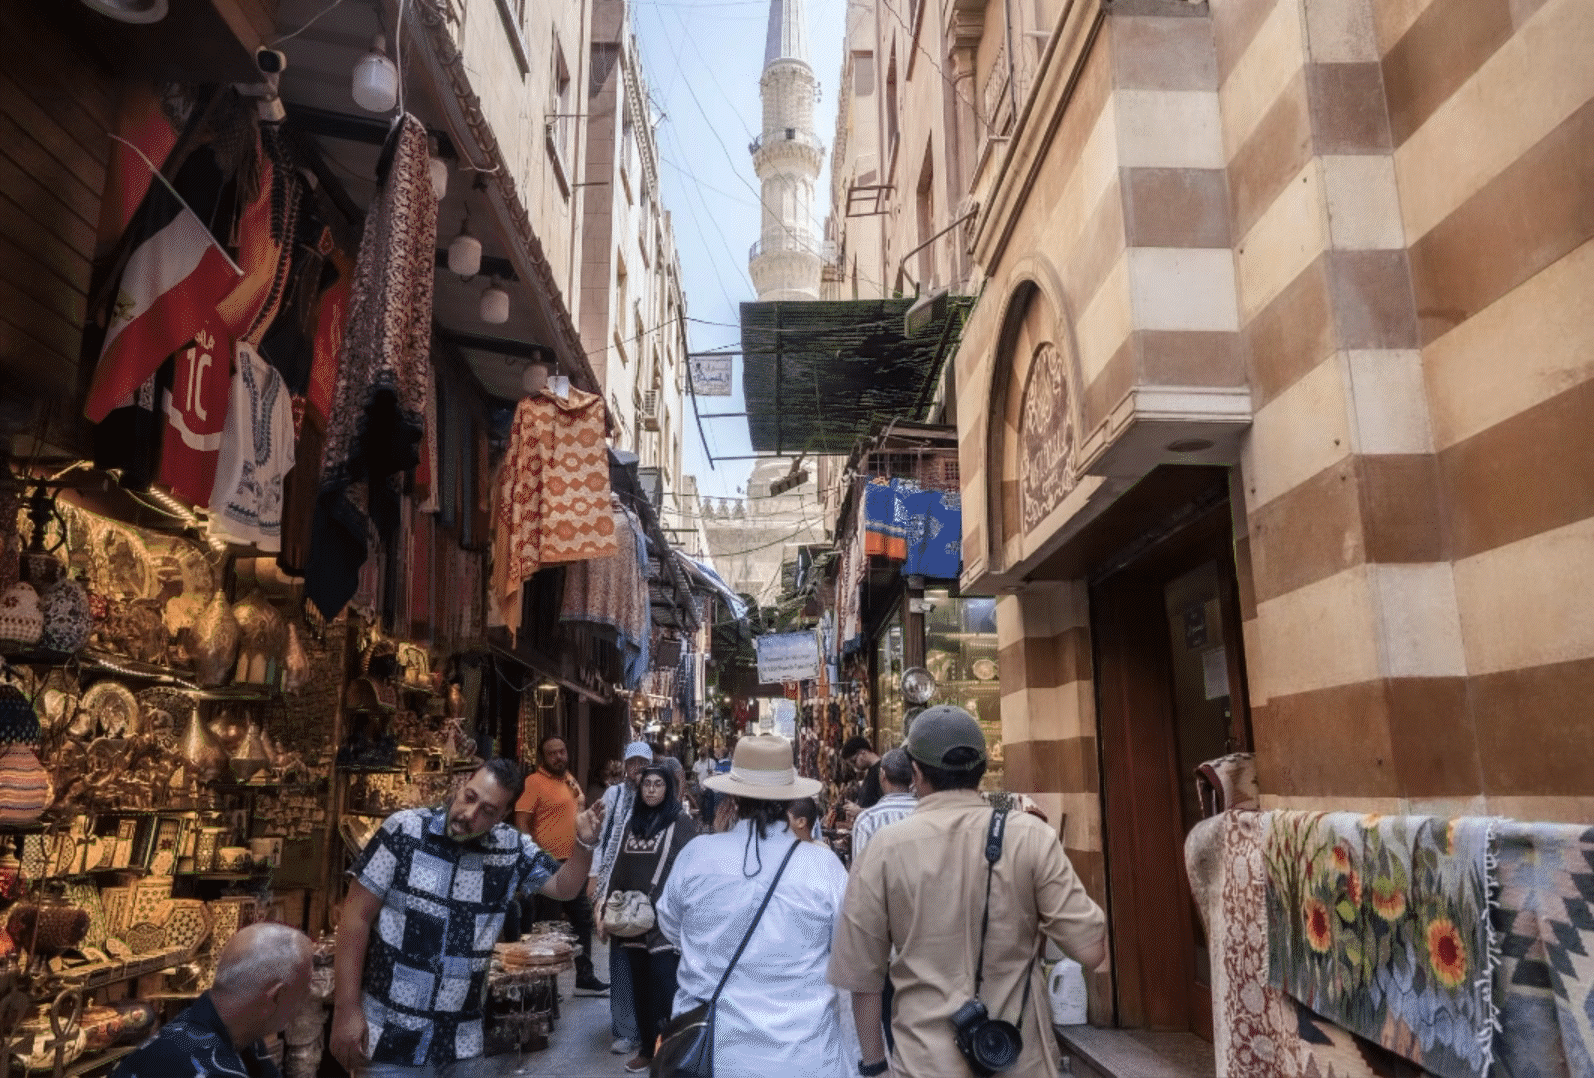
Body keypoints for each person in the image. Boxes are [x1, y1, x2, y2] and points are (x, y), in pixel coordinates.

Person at [829, 706, 1108, 1078]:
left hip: (924, 1063)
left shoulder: (884, 848)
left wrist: (876, 1066)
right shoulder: (1030, 836)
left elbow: (862, 979)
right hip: (1018, 1059)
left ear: (915, 773)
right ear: (983, 769)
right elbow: (1091, 950)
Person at [331, 758, 606, 1076]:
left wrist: (584, 844)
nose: (469, 814)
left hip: (460, 1044)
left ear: (502, 816)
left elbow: (564, 887)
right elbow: (356, 917)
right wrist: (346, 1008)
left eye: (487, 811)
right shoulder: (403, 831)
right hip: (391, 1040)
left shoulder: (510, 849)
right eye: (470, 797)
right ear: (462, 786)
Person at [658, 734, 855, 1077]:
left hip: (715, 1057)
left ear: (734, 796)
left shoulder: (697, 856)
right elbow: (846, 950)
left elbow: (671, 926)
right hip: (802, 1056)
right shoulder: (823, 866)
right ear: (790, 797)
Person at [113, 922, 312, 1078]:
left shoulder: (236, 1033)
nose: (305, 1000)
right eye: (303, 990)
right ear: (276, 997)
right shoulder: (213, 1068)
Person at [601, 766, 700, 1073]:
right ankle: (647, 1048)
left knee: (666, 987)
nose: (652, 790)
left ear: (668, 789)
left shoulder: (680, 822)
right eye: (647, 784)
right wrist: (606, 908)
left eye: (658, 784)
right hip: (632, 919)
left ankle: (671, 1052)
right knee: (641, 988)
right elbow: (619, 867)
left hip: (665, 921)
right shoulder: (633, 822)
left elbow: (691, 867)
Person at [513, 734, 607, 995]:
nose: (558, 757)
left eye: (562, 751)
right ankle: (546, 988)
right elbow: (521, 822)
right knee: (547, 927)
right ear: (543, 757)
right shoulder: (533, 782)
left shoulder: (568, 779)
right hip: (547, 863)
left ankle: (584, 976)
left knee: (582, 918)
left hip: (572, 862)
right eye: (552, 753)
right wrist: (531, 858)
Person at [590, 741, 654, 1055]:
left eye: (643, 762)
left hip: (649, 888)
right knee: (621, 958)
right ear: (626, 765)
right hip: (617, 885)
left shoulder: (658, 793)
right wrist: (595, 878)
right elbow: (600, 838)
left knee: (649, 958)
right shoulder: (614, 795)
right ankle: (626, 1029)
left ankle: (649, 1027)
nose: (637, 768)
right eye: (633, 762)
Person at [849, 748, 917, 862]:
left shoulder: (867, 820)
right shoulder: (929, 811)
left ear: (882, 774)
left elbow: (860, 869)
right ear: (913, 776)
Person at [841, 735, 883, 816]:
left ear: (863, 753)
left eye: (854, 761)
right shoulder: (870, 771)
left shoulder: (882, 772)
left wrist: (860, 811)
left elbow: (885, 807)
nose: (854, 767)